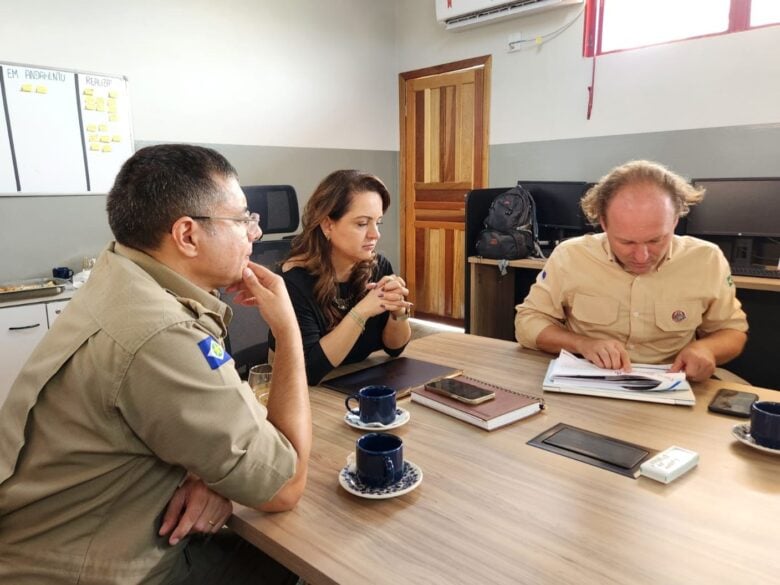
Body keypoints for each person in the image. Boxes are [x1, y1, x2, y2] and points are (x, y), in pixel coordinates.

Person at [0, 144, 310, 584]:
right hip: (89, 569)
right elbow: (284, 486)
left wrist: (214, 474)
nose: (254, 234)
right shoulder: (162, 334)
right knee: (288, 560)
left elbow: (172, 410)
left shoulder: (121, 273)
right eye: (243, 219)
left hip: (43, 538)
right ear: (187, 235)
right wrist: (288, 332)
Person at [515, 160, 748, 382]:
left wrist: (706, 349)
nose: (641, 256)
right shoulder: (571, 256)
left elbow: (732, 331)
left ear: (675, 220)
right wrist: (582, 343)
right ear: (604, 224)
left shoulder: (706, 259)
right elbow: (528, 322)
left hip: (672, 385)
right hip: (589, 384)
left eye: (656, 240)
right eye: (626, 242)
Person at [265, 169, 412, 385]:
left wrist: (398, 312)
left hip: (354, 381)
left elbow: (395, 349)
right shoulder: (293, 281)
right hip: (303, 393)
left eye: (377, 222)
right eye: (362, 223)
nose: (375, 234)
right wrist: (361, 312)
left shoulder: (379, 266)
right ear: (327, 225)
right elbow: (309, 371)